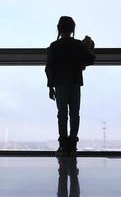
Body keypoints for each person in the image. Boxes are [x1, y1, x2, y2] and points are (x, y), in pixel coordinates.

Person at [45, 16, 95, 155]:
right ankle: (72, 145)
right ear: (72, 29)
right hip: (75, 83)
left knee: (62, 115)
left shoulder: (54, 46)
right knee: (74, 114)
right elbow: (90, 60)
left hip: (60, 84)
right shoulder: (78, 45)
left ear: (59, 29)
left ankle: (63, 146)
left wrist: (50, 87)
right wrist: (90, 46)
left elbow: (49, 68)